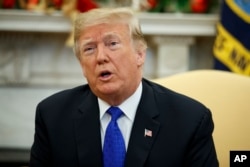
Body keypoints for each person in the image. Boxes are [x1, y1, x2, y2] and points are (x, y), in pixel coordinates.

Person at [30, 7, 219, 167]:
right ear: (82, 66)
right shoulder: (52, 116)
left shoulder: (190, 120)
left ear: (140, 55)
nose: (100, 57)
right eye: (89, 49)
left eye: (112, 44)